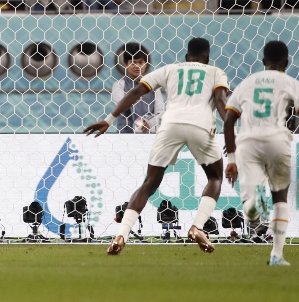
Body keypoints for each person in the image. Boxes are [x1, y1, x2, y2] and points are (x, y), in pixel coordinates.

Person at [84, 38, 229, 254]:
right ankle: (197, 227)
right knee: (215, 177)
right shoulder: (216, 72)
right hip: (201, 125)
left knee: (150, 182)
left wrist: (109, 119)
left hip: (170, 125)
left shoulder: (170, 69)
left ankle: (122, 234)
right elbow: (219, 101)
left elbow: (135, 92)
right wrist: (231, 130)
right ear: (207, 58)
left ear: (186, 57)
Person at [224, 40, 299, 266]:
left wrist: (231, 159)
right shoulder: (292, 83)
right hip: (278, 139)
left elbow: (228, 121)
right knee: (279, 199)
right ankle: (276, 254)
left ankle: (252, 209)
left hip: (248, 142)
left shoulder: (246, 83)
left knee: (250, 199)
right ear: (287, 61)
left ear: (263, 61)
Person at [112, 43, 164, 133]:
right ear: (125, 64)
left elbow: (160, 111)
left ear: (146, 64)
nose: (137, 66)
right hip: (125, 135)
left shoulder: (154, 87)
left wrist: (150, 122)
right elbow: (121, 105)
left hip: (149, 134)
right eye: (133, 63)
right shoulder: (119, 85)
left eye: (140, 62)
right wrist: (136, 96)